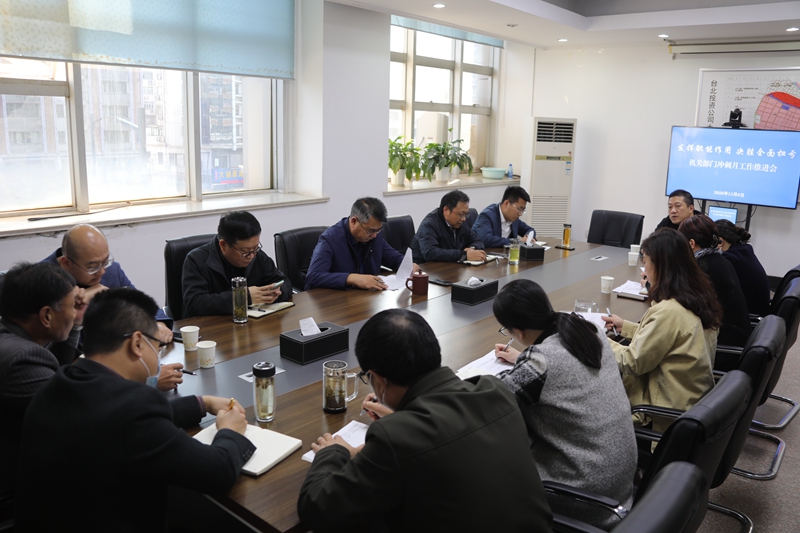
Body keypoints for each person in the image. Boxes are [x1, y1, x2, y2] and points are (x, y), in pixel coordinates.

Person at [14, 288, 256, 531]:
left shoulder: (60, 382)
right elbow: (218, 473)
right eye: (157, 346)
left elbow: (116, 422)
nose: (158, 356)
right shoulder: (134, 409)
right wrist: (230, 431)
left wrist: (201, 403)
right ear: (137, 343)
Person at [297, 308, 553, 532]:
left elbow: (317, 511)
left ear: (379, 380)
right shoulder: (494, 390)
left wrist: (333, 452)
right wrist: (403, 419)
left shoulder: (395, 436)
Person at [492, 279, 636, 530]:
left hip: (583, 495)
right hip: (620, 482)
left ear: (519, 332)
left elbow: (493, 401)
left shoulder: (541, 361)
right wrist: (523, 361)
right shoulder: (588, 330)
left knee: (488, 468)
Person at [602, 228, 721, 433]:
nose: (644, 269)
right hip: (690, 402)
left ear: (661, 266)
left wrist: (598, 339)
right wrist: (627, 327)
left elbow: (632, 362)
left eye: (646, 261)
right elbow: (670, 336)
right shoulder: (698, 295)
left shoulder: (669, 311)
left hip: (662, 416)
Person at [0, 262, 85, 500]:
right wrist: (143, 381)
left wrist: (75, 323)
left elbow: (52, 371)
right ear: (46, 316)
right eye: (71, 306)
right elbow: (78, 414)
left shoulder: (12, 339)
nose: (74, 312)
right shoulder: (21, 359)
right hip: (18, 484)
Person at [42, 223, 174, 342]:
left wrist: (157, 323)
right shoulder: (42, 283)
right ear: (66, 263)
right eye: (92, 267)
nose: (101, 272)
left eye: (105, 262)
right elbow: (47, 345)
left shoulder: (112, 270)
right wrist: (74, 304)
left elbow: (139, 303)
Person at [183, 210, 291, 317]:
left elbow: (284, 282)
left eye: (255, 248)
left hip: (253, 322)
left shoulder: (257, 256)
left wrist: (274, 293)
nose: (252, 256)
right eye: (245, 251)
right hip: (214, 325)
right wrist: (243, 297)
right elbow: (194, 304)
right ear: (223, 245)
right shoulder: (196, 260)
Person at [305, 197, 418, 291]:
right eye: (371, 231)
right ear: (354, 221)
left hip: (368, 300)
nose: (375, 235)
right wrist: (352, 278)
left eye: (378, 230)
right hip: (338, 302)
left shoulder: (374, 237)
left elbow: (394, 258)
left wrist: (409, 266)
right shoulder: (330, 239)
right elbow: (313, 277)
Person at [678, 214, 751, 347]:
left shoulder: (702, 268)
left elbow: (680, 302)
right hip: (735, 334)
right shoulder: (718, 259)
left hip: (724, 342)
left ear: (691, 244)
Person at [409, 190, 486, 263]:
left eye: (466, 214)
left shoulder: (459, 223)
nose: (464, 219)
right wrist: (464, 255)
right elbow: (430, 253)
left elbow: (477, 240)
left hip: (451, 266)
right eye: (461, 214)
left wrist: (471, 249)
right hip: (425, 268)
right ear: (446, 210)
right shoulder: (429, 225)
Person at [716, 219, 771, 317]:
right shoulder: (743, 249)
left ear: (720, 240)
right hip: (760, 309)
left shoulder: (731, 258)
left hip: (750, 314)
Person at [472, 186, 536, 247]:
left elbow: (530, 230)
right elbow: (486, 240)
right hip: (485, 253)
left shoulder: (514, 219)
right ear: (506, 203)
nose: (520, 214)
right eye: (519, 209)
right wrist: (517, 241)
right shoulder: (487, 216)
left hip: (505, 253)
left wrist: (528, 237)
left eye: (523, 210)